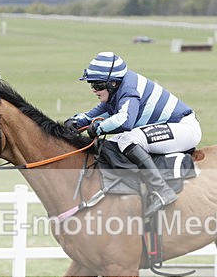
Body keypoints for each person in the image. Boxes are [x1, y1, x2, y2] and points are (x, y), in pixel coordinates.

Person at [67, 51, 202, 213]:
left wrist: (98, 128)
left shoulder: (129, 91)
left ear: (113, 83)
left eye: (97, 85)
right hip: (171, 128)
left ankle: (162, 191)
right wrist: (76, 121)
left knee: (127, 140)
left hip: (184, 129)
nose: (94, 90)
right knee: (114, 142)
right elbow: (95, 114)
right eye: (91, 84)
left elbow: (125, 120)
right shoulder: (117, 91)